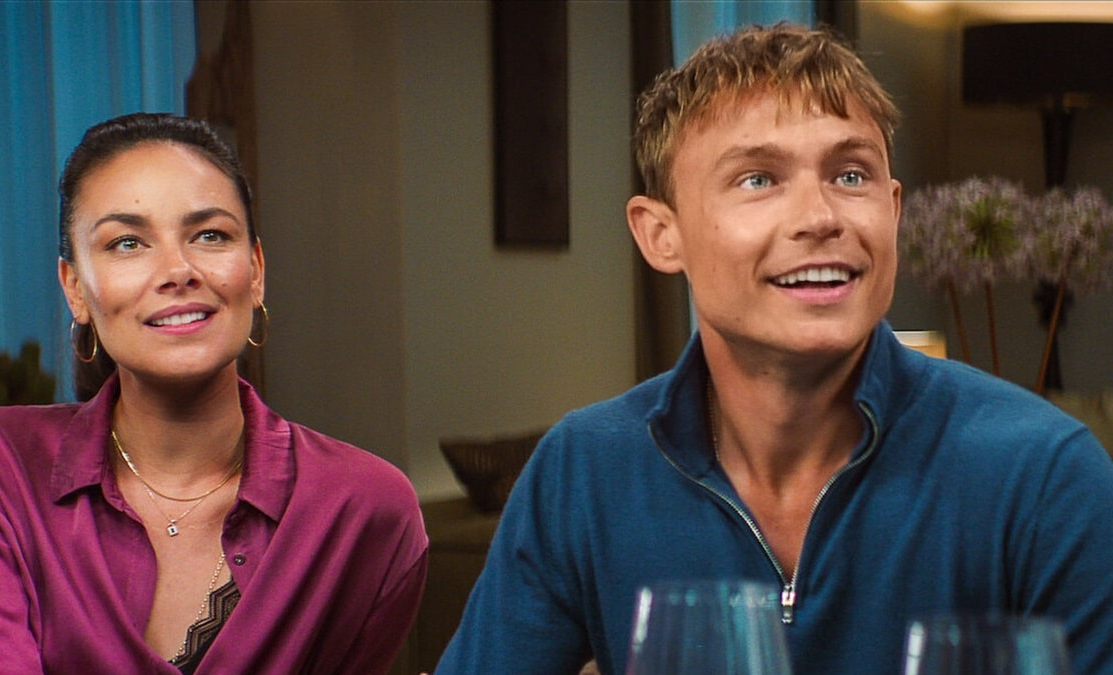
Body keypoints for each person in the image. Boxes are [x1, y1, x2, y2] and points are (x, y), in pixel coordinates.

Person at [434, 23, 1113, 675]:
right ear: (660, 235)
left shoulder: (1045, 474)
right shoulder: (584, 470)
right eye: (758, 179)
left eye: (851, 175)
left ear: (894, 210)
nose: (820, 217)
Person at [0, 112, 427, 674]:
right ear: (76, 289)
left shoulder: (366, 510)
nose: (177, 270)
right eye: (127, 243)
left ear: (255, 270)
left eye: (210, 235)